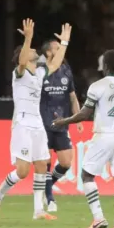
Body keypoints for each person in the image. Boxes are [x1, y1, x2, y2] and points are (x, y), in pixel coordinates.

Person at [0, 19, 71, 220]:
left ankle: (38, 211)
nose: (35, 50)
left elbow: (55, 63)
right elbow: (23, 60)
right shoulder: (19, 73)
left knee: (42, 163)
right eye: (31, 49)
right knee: (23, 171)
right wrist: (27, 38)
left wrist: (66, 42)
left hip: (37, 123)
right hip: (23, 123)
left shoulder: (40, 72)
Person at [52, 49, 114, 228]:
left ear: (106, 66)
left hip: (104, 135)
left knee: (87, 175)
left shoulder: (98, 86)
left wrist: (63, 121)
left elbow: (85, 113)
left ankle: (98, 217)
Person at [39, 39, 83, 212]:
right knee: (46, 161)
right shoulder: (41, 72)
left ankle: (46, 186)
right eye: (57, 48)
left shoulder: (65, 70)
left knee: (65, 162)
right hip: (43, 124)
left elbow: (72, 97)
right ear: (49, 53)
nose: (61, 51)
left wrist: (77, 118)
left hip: (62, 123)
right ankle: (50, 198)